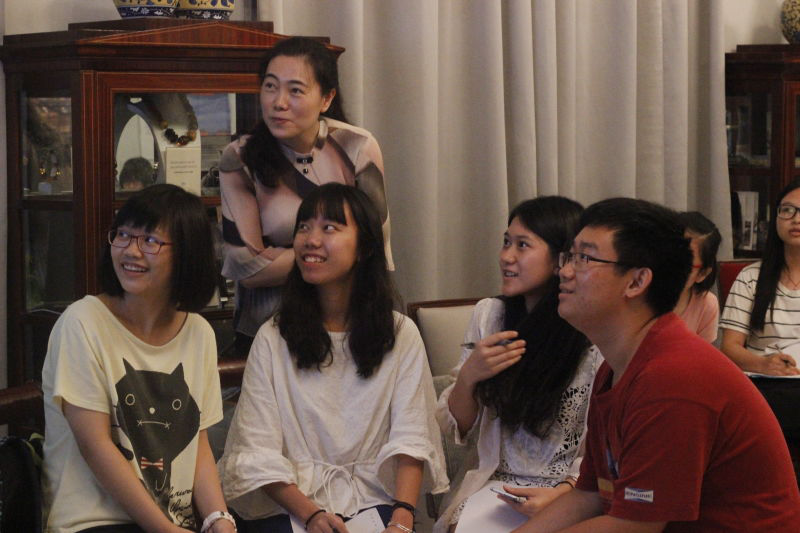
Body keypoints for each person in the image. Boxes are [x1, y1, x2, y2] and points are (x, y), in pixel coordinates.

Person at [516, 198, 800, 533]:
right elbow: (590, 494)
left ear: (637, 282)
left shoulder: (674, 376)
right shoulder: (616, 367)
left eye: (585, 258)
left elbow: (635, 526)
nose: (564, 271)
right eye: (569, 256)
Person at [218, 183, 446, 533]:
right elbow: (257, 450)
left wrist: (402, 519)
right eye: (304, 227)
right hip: (290, 504)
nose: (310, 240)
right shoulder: (273, 337)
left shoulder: (400, 334)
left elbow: (412, 436)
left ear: (365, 246)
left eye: (329, 228)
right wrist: (311, 515)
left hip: (374, 499)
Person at [41, 184, 235, 533]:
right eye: (123, 235)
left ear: (187, 253)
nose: (130, 251)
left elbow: (198, 444)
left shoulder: (199, 333)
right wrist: (165, 529)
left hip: (173, 520)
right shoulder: (83, 322)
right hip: (93, 523)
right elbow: (95, 446)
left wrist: (219, 519)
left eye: (150, 240)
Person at [433, 197, 602, 532]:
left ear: (561, 259)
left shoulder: (592, 330)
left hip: (570, 491)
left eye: (523, 245)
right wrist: (469, 377)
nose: (506, 256)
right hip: (494, 485)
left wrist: (564, 492)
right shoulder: (490, 315)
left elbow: (600, 445)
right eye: (506, 242)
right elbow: (457, 429)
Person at [219, 36, 392, 357]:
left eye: (295, 90)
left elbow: (374, 246)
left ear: (326, 99)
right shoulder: (239, 157)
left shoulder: (357, 147)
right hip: (265, 328)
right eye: (270, 87)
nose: (279, 102)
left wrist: (281, 255)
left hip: (348, 321)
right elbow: (246, 266)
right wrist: (333, 252)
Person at [720, 179, 800, 376]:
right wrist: (763, 364)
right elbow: (730, 347)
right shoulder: (750, 277)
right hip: (765, 383)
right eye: (788, 210)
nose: (796, 219)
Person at [674, 211, 721, 343]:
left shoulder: (706, 304)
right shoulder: (637, 295)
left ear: (702, 274)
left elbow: (701, 354)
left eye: (684, 263)